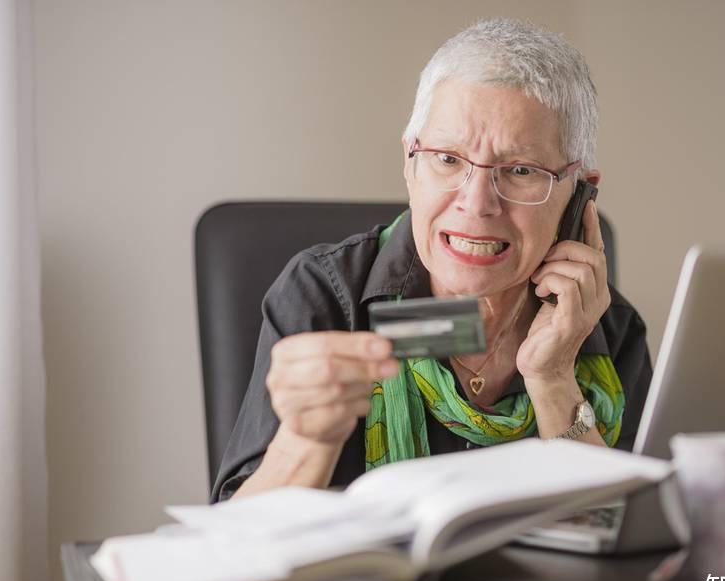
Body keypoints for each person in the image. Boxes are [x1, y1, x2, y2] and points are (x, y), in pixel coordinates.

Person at [212, 18, 651, 502]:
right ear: (410, 163)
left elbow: (628, 541)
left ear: (578, 194)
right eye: (447, 159)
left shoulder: (609, 327)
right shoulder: (323, 298)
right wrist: (305, 440)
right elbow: (234, 540)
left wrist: (552, 380)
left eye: (521, 170)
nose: (477, 202)